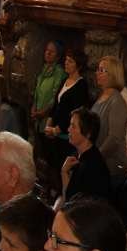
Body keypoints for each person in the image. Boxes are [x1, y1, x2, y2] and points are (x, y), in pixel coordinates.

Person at [39, 49, 91, 187]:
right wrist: (49, 125)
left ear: (78, 66)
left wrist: (58, 129)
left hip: (66, 136)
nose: (66, 63)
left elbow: (74, 112)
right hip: (54, 133)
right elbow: (56, 106)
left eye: (70, 61)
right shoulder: (64, 80)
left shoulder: (81, 85)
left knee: (61, 171)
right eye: (66, 60)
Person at [91, 55, 127, 175]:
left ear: (113, 74)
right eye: (97, 69)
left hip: (111, 164)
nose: (97, 73)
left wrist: (95, 156)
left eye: (102, 70)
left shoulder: (117, 101)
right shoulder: (101, 97)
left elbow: (114, 138)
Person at [60, 110, 111, 202]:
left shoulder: (93, 165)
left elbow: (72, 202)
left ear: (88, 134)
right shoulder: (76, 155)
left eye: (73, 126)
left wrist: (64, 173)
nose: (68, 129)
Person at [30, 42, 64, 134]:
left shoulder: (59, 73)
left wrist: (43, 112)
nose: (48, 53)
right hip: (38, 116)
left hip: (48, 118)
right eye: (47, 50)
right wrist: (34, 107)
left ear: (58, 56)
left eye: (52, 51)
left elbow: (55, 96)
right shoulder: (44, 69)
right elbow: (37, 91)